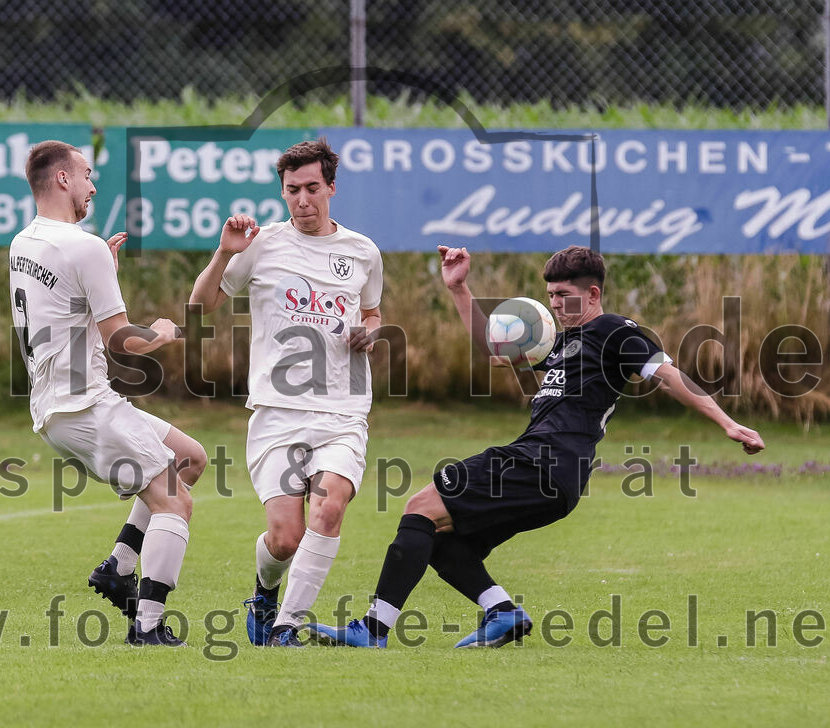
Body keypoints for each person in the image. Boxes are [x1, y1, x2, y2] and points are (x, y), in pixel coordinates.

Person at [307, 244, 765, 648]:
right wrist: (459, 288)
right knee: (443, 540)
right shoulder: (560, 342)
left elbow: (667, 375)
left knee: (420, 507)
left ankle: (373, 629)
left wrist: (727, 423)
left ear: (592, 294)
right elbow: (494, 351)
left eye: (563, 295)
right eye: (550, 295)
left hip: (543, 462)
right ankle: (502, 612)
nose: (555, 304)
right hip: (552, 477)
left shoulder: (615, 331)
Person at [9, 140, 206, 647]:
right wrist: (161, 332)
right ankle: (148, 627)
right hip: (85, 406)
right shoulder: (85, 246)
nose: (92, 186)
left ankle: (118, 569)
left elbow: (65, 306)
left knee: (190, 459)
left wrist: (101, 276)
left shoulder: (24, 242)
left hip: (56, 408)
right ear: (62, 179)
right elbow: (123, 341)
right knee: (175, 503)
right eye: (87, 174)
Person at [189, 138, 384, 647]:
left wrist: (371, 331)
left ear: (331, 188)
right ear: (283, 192)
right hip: (277, 413)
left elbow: (372, 313)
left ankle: (285, 627)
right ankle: (265, 593)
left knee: (329, 508)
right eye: (292, 190)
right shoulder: (261, 244)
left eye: (312, 188)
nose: (302, 199)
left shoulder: (362, 252)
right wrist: (224, 253)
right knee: (284, 539)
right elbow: (199, 306)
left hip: (342, 413)